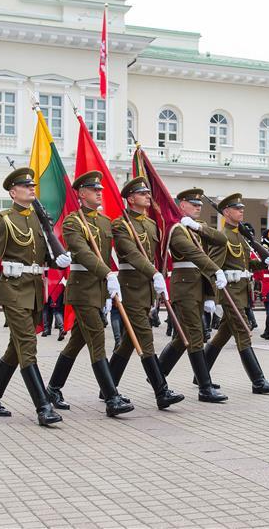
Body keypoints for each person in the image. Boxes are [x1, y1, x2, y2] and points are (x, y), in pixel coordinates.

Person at [0, 168, 69, 425]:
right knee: (28, 346)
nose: (31, 189)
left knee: (15, 349)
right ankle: (43, 406)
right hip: (13, 291)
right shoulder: (3, 219)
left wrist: (57, 259)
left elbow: (43, 254)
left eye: (33, 185)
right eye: (26, 186)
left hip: (35, 290)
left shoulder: (39, 220)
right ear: (12, 192)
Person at [45, 171, 134, 417]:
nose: (99, 192)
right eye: (94, 190)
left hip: (100, 289)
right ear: (82, 194)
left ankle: (53, 388)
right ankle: (111, 397)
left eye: (100, 190)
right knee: (97, 340)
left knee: (76, 342)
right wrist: (107, 274)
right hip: (83, 289)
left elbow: (106, 255)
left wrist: (108, 287)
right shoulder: (73, 222)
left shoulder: (105, 222)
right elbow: (83, 253)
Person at [105, 176, 184, 410]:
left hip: (147, 289)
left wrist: (158, 278)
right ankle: (162, 391)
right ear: (131, 198)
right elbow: (131, 254)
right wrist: (153, 273)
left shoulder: (150, 224)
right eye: (143, 193)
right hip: (131, 288)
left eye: (148, 193)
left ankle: (107, 386)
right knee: (146, 340)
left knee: (129, 342)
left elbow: (155, 256)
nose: (148, 196)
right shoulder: (120, 224)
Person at [153, 188, 228, 402]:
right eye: (193, 204)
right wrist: (215, 269)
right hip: (184, 288)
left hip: (196, 287)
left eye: (200, 205)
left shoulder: (194, 228)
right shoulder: (176, 230)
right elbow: (194, 254)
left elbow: (221, 239)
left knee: (182, 337)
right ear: (181, 205)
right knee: (195, 335)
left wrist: (199, 227)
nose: (198, 207)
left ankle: (157, 374)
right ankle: (204, 387)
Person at [202, 193, 269, 394]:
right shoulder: (223, 237)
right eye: (237, 208)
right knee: (244, 333)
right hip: (230, 295)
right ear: (226, 212)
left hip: (242, 293)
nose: (242, 211)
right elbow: (212, 268)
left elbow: (245, 265)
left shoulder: (241, 236)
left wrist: (264, 261)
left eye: (242, 208)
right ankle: (258, 381)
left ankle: (200, 374)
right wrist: (211, 296)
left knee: (222, 335)